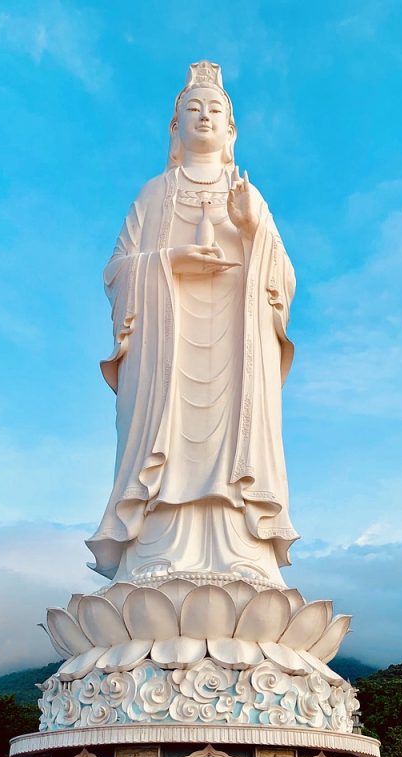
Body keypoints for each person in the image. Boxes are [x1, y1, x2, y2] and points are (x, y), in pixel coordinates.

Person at [86, 60, 298, 585]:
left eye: (215, 110)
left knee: (234, 447)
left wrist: (253, 231)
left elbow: (284, 280)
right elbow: (116, 270)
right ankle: (156, 550)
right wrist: (170, 261)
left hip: (236, 349)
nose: (204, 117)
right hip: (168, 346)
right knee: (169, 442)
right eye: (193, 109)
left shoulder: (249, 195)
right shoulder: (153, 194)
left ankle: (243, 553)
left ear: (231, 131)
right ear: (174, 126)